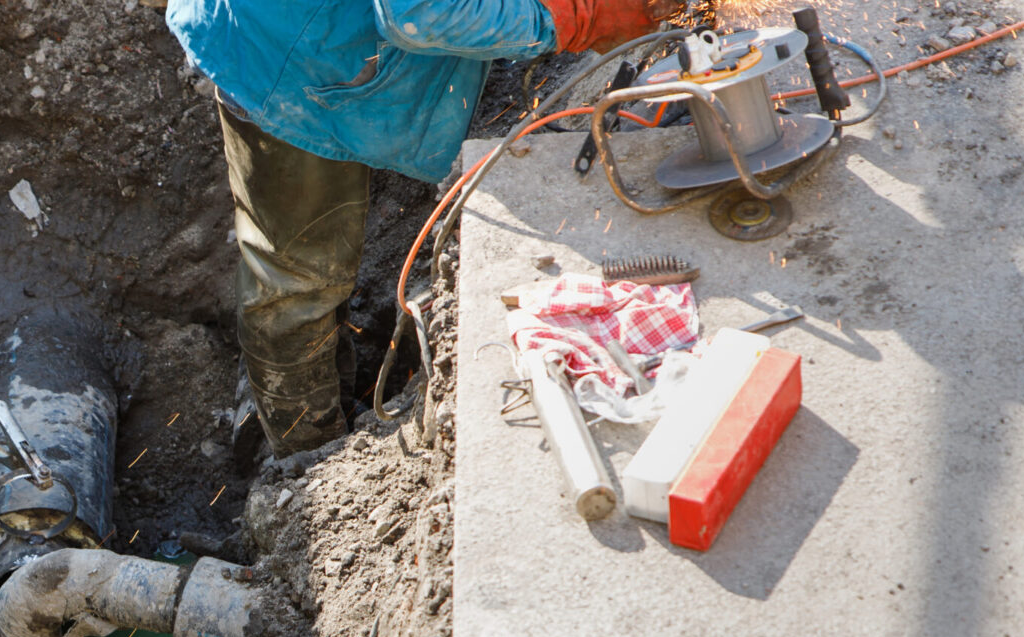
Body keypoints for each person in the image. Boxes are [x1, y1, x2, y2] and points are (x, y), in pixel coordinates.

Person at [166, 0, 681, 456]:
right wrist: (575, 18)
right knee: (296, 279)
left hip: (320, 30)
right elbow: (420, 12)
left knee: (302, 267)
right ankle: (307, 454)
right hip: (281, 55)